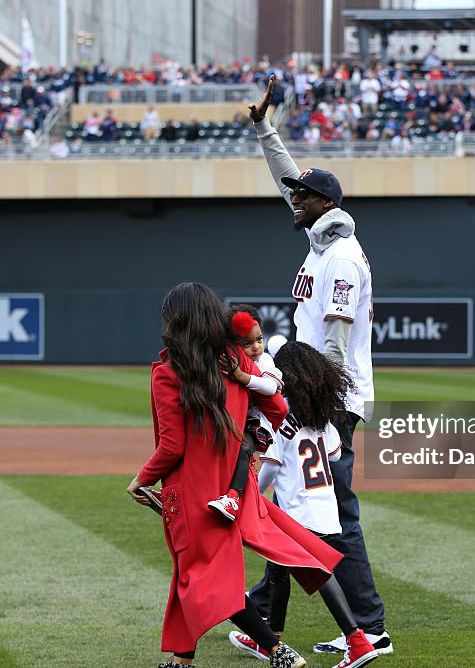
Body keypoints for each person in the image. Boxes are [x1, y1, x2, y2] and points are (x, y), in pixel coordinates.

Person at [127, 281, 344, 668]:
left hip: (191, 493)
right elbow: (277, 407)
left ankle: (278, 651)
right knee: (193, 575)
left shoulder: (168, 372)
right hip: (232, 487)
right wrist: (246, 439)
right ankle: (182, 659)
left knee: (204, 580)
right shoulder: (235, 361)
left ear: (175, 323)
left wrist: (141, 478)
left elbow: (172, 447)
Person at [249, 76, 392, 657]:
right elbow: (288, 179)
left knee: (336, 512)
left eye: (302, 196)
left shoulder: (340, 259)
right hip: (317, 390)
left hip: (328, 395)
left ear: (326, 203)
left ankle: (369, 626)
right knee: (294, 503)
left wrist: (318, 409)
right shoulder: (320, 240)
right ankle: (266, 612)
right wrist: (265, 130)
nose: (293, 199)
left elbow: (335, 340)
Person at [230, 339, 379, 668]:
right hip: (324, 507)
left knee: (319, 574)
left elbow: (270, 464)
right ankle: (269, 638)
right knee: (278, 573)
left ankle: (357, 641)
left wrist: (253, 498)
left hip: (297, 512)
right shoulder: (321, 419)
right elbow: (336, 454)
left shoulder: (279, 418)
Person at [206, 306, 285, 521]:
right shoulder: (230, 358)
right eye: (247, 344)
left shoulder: (265, 361)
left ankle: (233, 498)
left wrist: (241, 375)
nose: (256, 347)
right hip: (239, 418)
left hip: (259, 422)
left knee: (243, 449)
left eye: (259, 339)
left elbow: (270, 388)